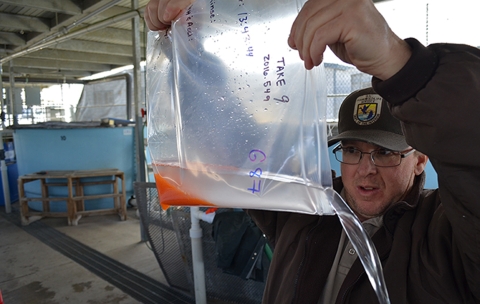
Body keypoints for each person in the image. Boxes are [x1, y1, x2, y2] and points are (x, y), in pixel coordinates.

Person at [144, 0, 480, 303]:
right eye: (352, 150)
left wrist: (406, 68)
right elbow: (236, 138)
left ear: (421, 158)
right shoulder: (304, 207)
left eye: (384, 152)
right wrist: (191, 49)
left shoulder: (443, 235)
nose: (365, 169)